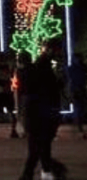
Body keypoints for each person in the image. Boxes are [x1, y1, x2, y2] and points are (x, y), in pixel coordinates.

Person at [19, 40, 66, 180]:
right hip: (41, 113)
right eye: (57, 50)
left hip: (37, 113)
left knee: (38, 146)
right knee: (39, 146)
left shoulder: (39, 67)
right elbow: (48, 91)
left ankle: (42, 171)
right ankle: (42, 171)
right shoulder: (42, 67)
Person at [68, 52, 86, 139]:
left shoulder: (73, 68)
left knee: (78, 107)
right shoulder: (81, 67)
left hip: (77, 89)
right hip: (78, 89)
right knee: (79, 107)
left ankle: (78, 124)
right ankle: (79, 124)